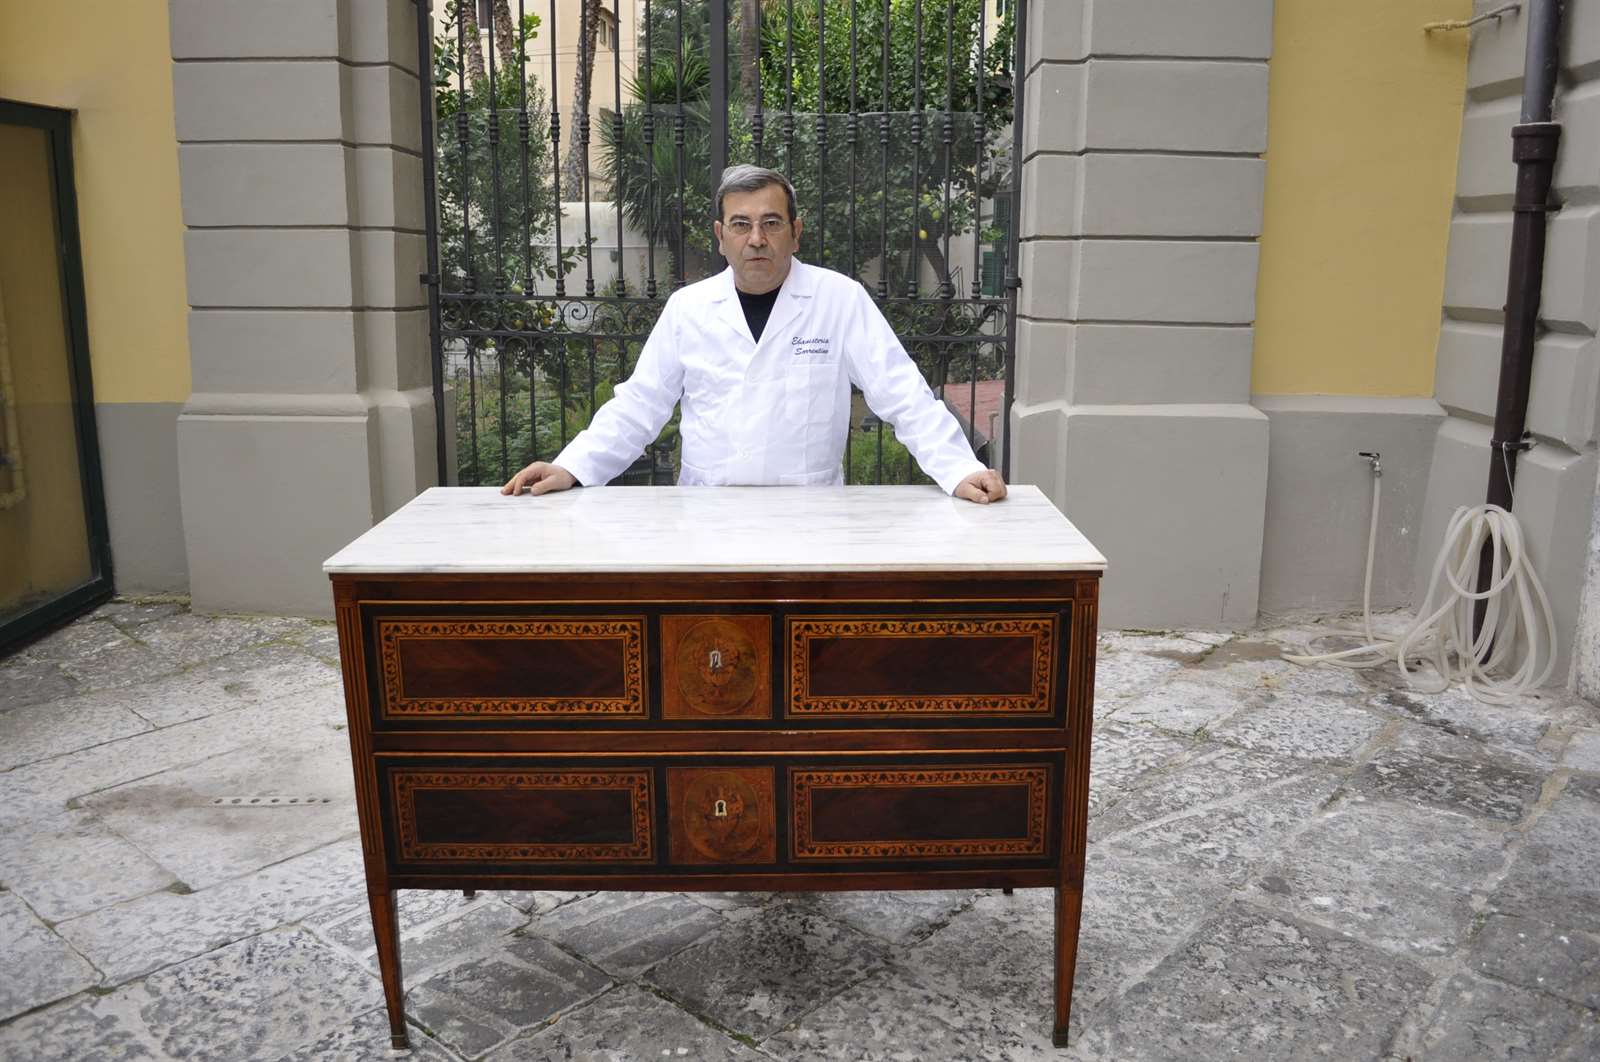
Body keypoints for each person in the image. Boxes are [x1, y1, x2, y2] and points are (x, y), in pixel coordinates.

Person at [501, 164, 1008, 504]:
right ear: (720, 236)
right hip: (707, 515)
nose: (757, 238)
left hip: (811, 515)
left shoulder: (839, 299)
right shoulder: (688, 309)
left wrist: (958, 469)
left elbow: (902, 392)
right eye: (741, 224)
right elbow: (639, 406)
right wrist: (573, 466)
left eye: (771, 223)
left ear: (796, 231)